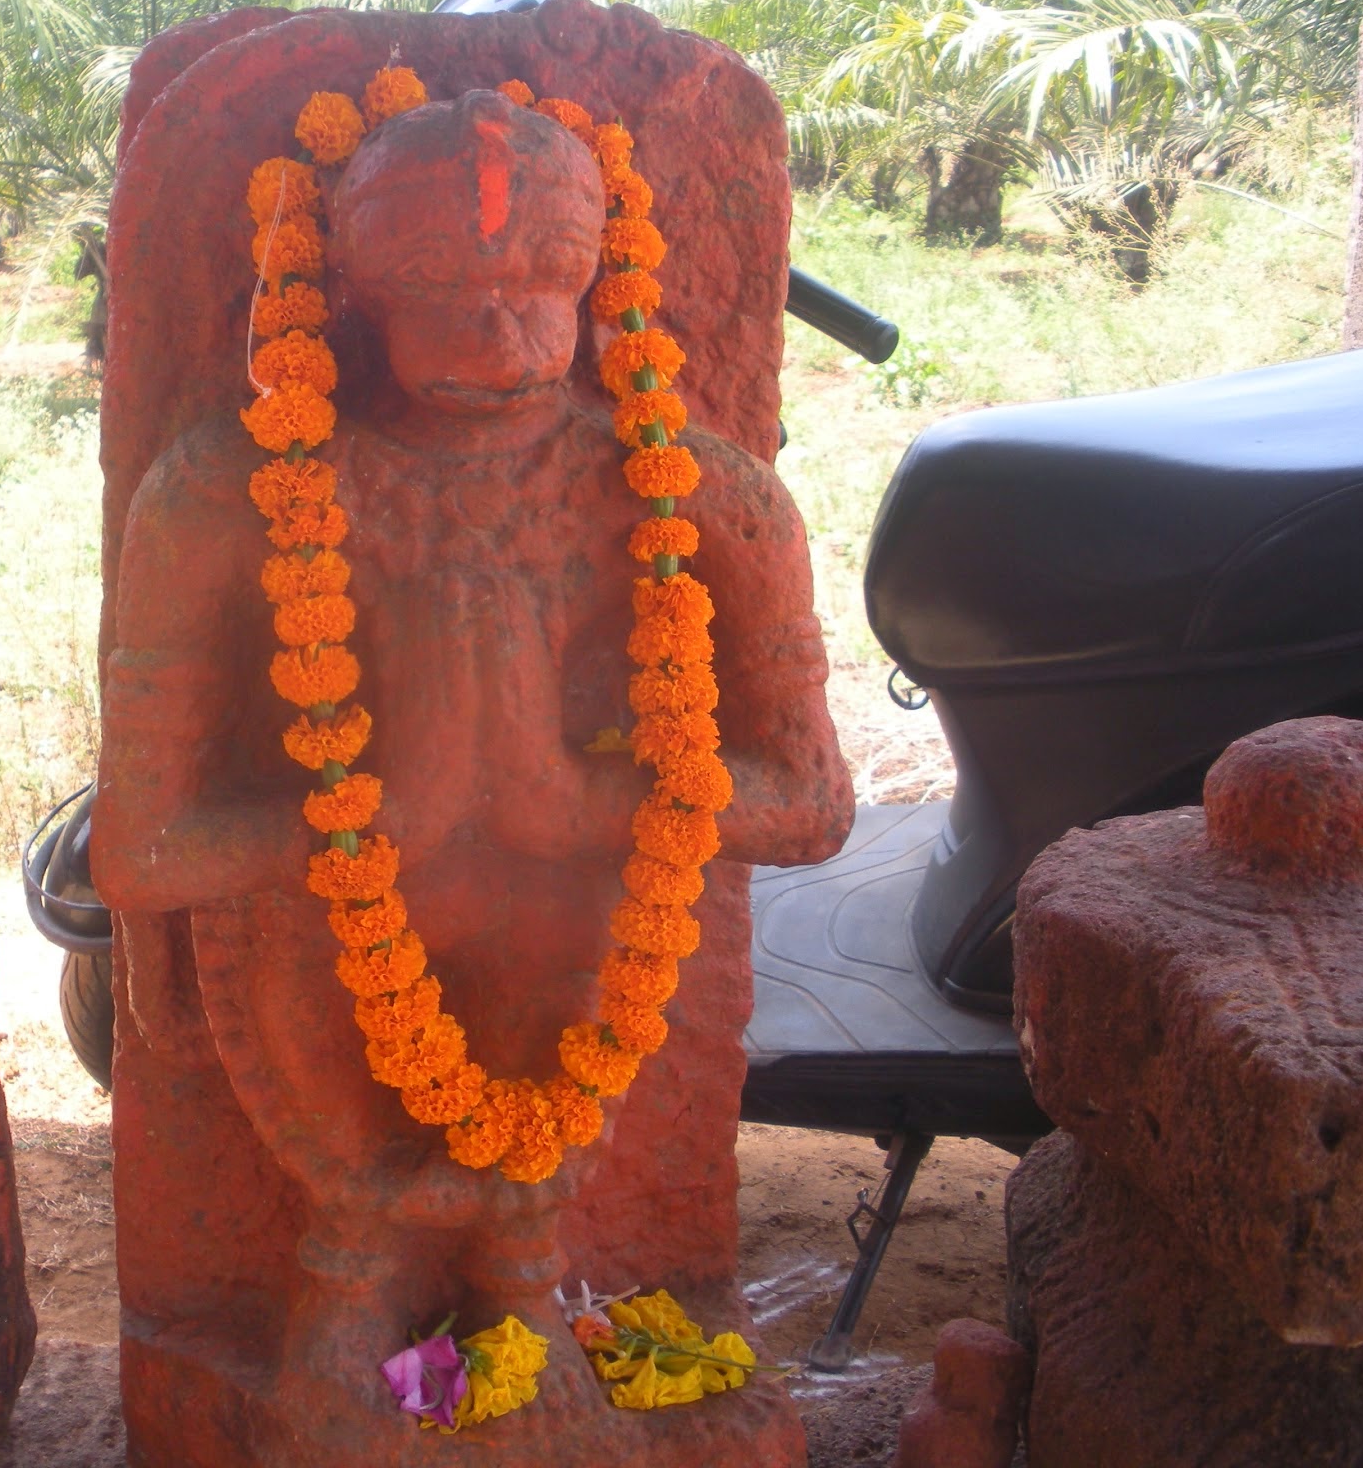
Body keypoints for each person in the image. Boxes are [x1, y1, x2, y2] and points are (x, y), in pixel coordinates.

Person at [92, 89, 848, 1420]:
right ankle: (356, 1268)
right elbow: (140, 854)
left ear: (603, 271)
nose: (498, 330)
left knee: (556, 919)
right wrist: (382, 820)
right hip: (329, 995)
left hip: (573, 973)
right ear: (350, 285)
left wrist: (571, 803)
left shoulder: (700, 495)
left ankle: (522, 1275)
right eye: (438, 281)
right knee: (326, 952)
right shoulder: (228, 494)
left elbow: (814, 804)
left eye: (543, 275)